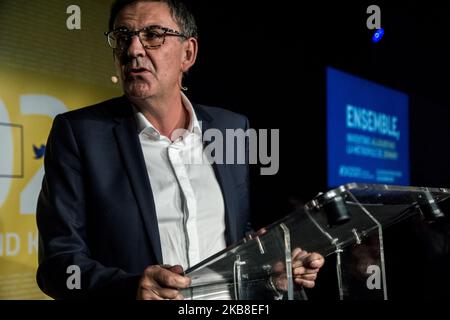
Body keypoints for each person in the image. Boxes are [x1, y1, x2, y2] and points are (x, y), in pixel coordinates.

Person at [36, 0, 324, 300]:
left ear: (188, 53)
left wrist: (269, 269)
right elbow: (57, 264)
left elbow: (235, 231)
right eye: (123, 36)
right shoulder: (80, 133)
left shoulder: (231, 127)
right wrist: (130, 289)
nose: (133, 50)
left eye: (153, 35)